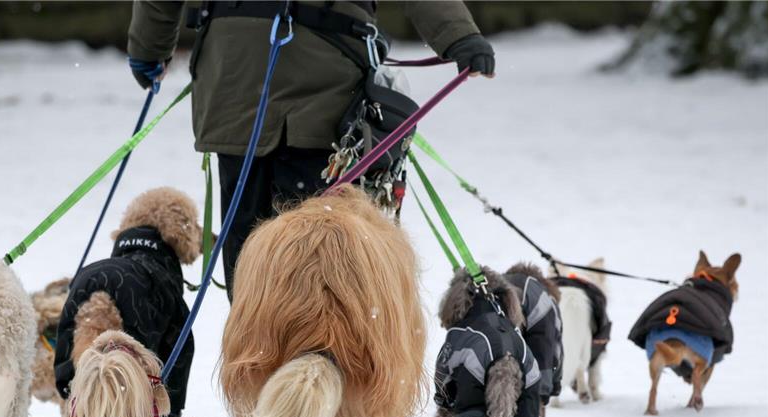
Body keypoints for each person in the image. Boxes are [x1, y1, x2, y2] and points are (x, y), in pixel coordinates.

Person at [127, 1, 495, 298]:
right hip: (322, 91)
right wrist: (458, 36)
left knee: (251, 264)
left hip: (234, 84)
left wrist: (149, 47)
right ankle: (314, 363)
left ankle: (262, 362)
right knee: (324, 263)